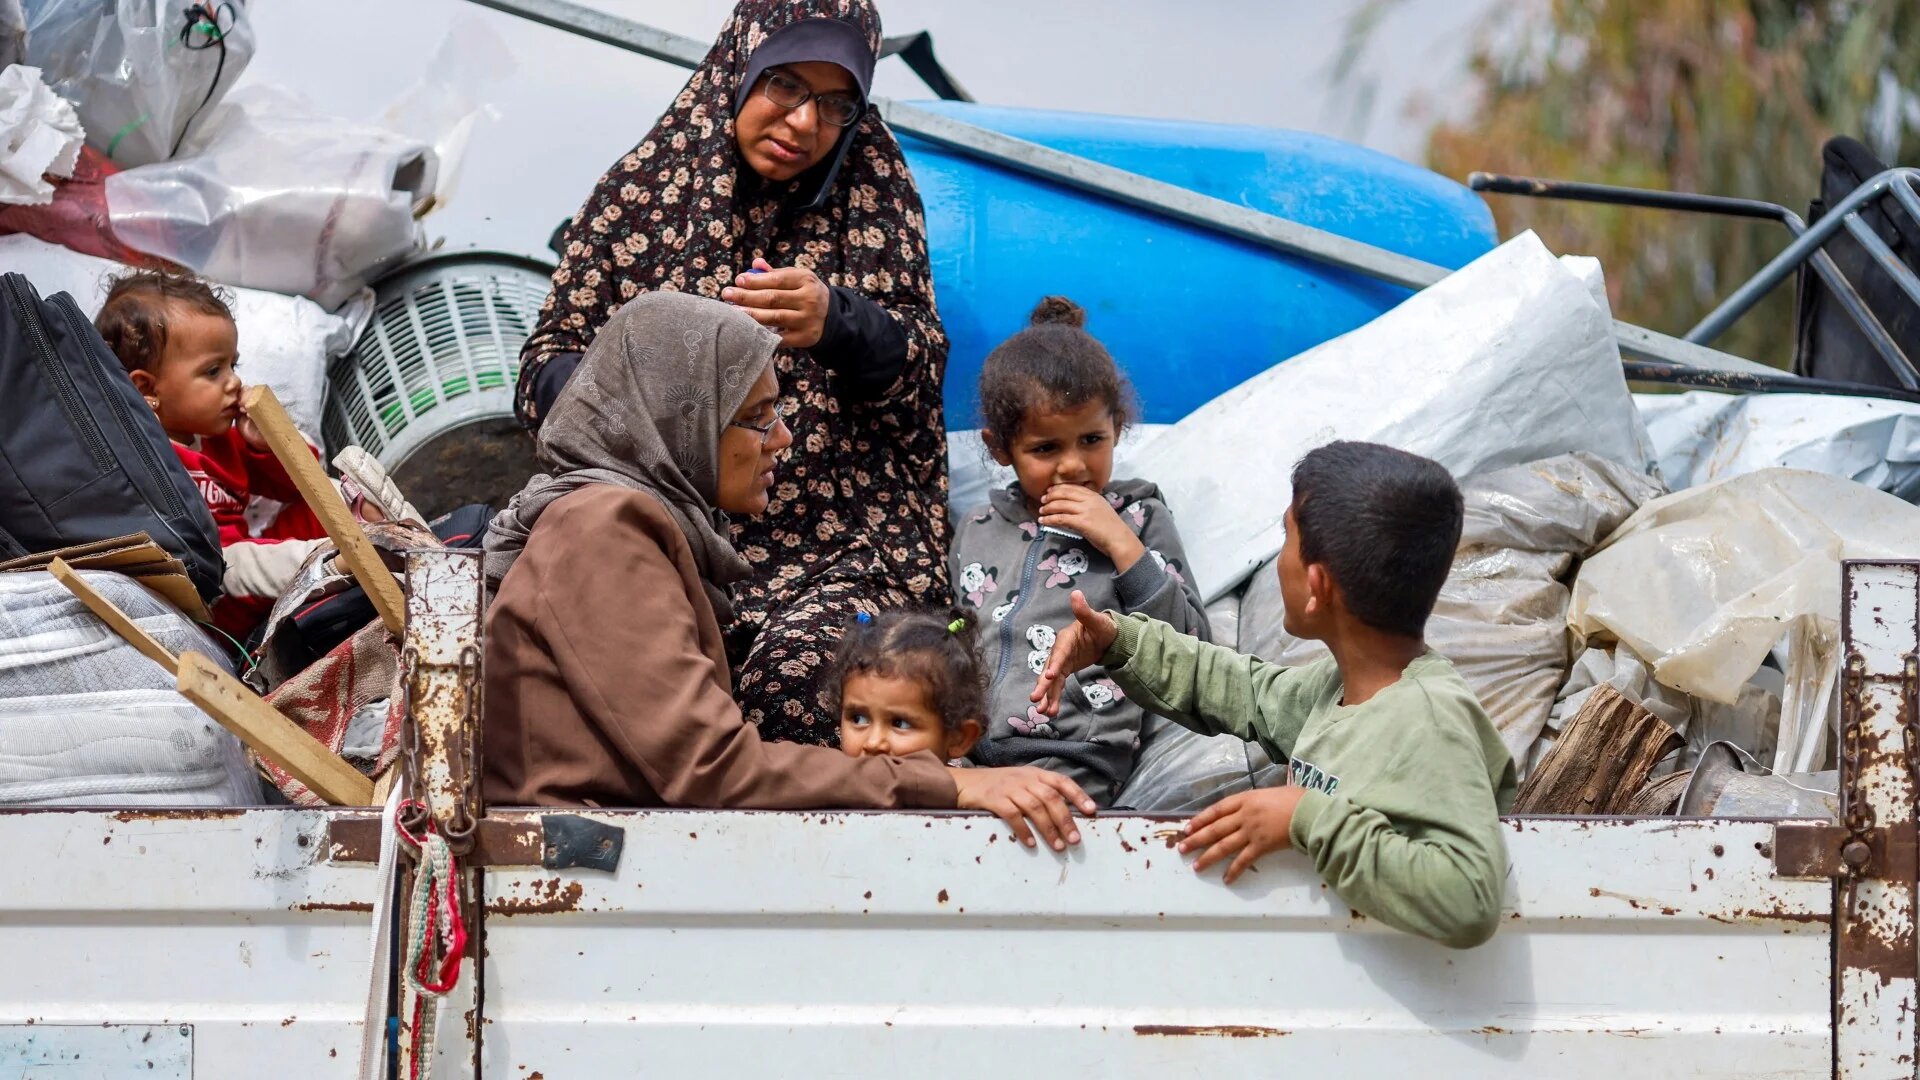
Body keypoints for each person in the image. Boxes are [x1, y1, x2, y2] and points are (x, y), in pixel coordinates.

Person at [483, 292, 1093, 850]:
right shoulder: (604, 528)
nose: (783, 437)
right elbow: (710, 770)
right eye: (756, 417)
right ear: (684, 420)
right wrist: (944, 786)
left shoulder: (628, 521)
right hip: (578, 869)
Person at [514, 0, 950, 747]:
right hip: (662, 540)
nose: (805, 124)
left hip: (839, 552)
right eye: (783, 85)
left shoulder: (875, 192)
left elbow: (921, 375)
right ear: (737, 70)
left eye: (835, 102)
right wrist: (659, 393)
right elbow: (543, 375)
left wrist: (837, 320)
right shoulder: (640, 194)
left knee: (800, 687)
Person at [1031, 441, 1517, 948]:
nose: (1277, 557)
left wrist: (1304, 816)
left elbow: (1470, 896)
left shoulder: (1429, 718)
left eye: (1286, 536)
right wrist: (1118, 640)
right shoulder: (1338, 691)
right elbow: (1239, 687)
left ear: (1316, 585)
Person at [952, 297, 1207, 808]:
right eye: (1046, 448)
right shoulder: (976, 527)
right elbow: (954, 633)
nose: (1073, 465)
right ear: (1000, 448)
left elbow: (1192, 643)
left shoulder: (1139, 519)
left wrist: (1120, 542)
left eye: (1092, 439)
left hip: (1076, 756)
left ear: (1118, 426)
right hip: (966, 756)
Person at [94, 271, 416, 639]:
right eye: (213, 371)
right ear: (147, 389)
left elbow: (300, 484)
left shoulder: (220, 440)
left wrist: (265, 444)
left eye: (234, 365)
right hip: (220, 592)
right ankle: (342, 557)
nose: (232, 381)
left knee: (334, 501)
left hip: (256, 570)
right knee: (248, 558)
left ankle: (384, 538)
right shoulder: (146, 458)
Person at [832, 608, 986, 764]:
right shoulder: (833, 784)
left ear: (958, 738)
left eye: (900, 723)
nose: (873, 743)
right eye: (858, 719)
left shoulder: (971, 787)